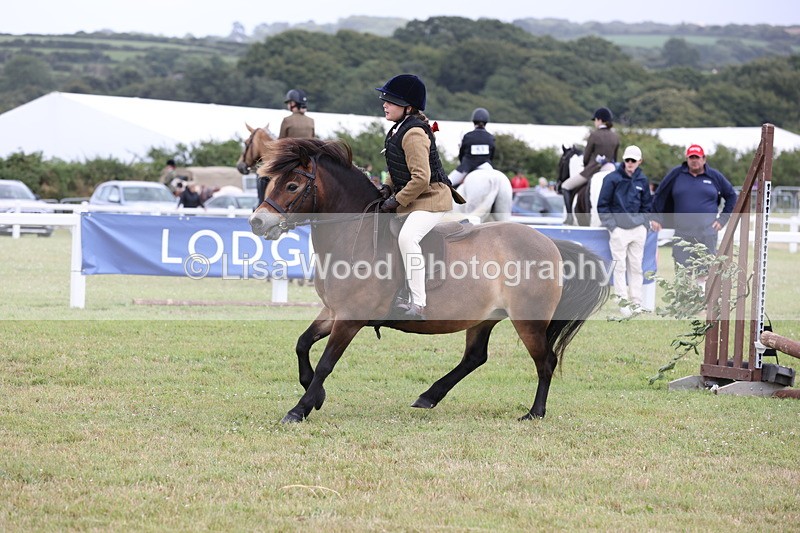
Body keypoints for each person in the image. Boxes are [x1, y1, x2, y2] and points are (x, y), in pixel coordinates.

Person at [375, 74, 460, 320]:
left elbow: (421, 178)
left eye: (390, 101)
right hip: (416, 197)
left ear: (408, 107)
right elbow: (398, 168)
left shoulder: (413, 133)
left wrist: (396, 200)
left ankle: (419, 304)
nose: (384, 104)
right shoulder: (398, 129)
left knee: (407, 237)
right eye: (385, 100)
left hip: (432, 197)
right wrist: (386, 188)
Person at [651, 144, 738, 275]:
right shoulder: (676, 174)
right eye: (691, 157)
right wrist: (656, 217)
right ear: (687, 159)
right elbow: (660, 194)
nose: (694, 160)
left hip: (707, 234)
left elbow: (731, 196)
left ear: (704, 159)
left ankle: (703, 289)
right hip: (682, 234)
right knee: (683, 274)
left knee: (704, 274)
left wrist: (723, 219)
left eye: (697, 157)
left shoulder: (714, 176)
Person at [596, 145, 653, 316]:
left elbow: (647, 205)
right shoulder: (611, 178)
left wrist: (644, 224)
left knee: (636, 267)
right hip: (619, 230)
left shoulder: (643, 180)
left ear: (639, 161)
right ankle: (623, 302)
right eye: (627, 159)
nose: (630, 163)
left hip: (638, 230)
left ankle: (636, 302)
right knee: (619, 267)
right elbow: (603, 205)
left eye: (633, 160)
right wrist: (612, 227)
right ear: (624, 160)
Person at [560, 107, 620, 224]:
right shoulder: (615, 136)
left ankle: (569, 217)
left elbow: (586, 157)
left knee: (565, 186)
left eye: (595, 120)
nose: (595, 122)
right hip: (610, 168)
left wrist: (586, 165)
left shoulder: (594, 135)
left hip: (593, 169)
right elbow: (615, 158)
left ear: (600, 120)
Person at [448, 107, 495, 187]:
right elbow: (492, 155)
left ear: (474, 121)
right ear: (486, 122)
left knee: (446, 183)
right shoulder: (491, 137)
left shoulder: (467, 136)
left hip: (466, 166)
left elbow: (461, 154)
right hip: (486, 166)